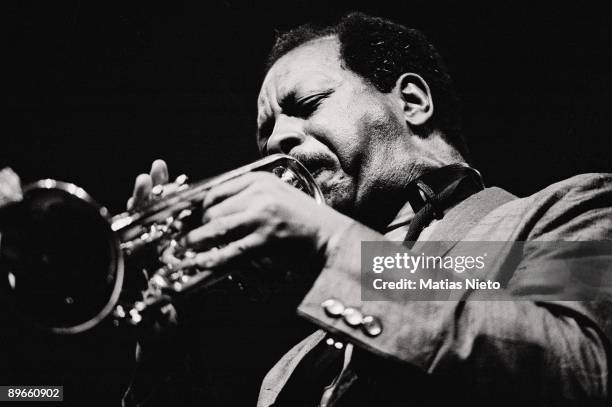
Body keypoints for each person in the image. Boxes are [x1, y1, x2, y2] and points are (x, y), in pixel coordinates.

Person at [3, 11, 611, 406]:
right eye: (266, 133)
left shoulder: (546, 220)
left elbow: (582, 374)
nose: (277, 143)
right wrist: (165, 361)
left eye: (308, 103)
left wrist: (329, 245)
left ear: (413, 102)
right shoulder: (286, 374)